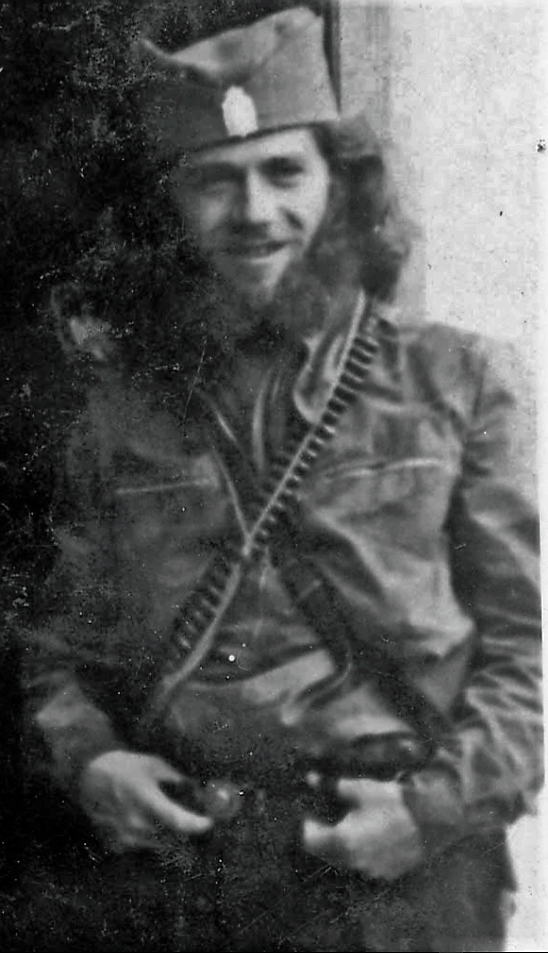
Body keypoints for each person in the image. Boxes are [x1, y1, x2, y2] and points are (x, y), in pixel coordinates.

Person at [19, 7, 542, 952]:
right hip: (187, 876)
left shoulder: (461, 381)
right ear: (170, 209)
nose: (255, 212)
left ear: (342, 185)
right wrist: (92, 761)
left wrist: (429, 813)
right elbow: (60, 649)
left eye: (284, 172)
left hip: (402, 875)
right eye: (215, 181)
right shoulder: (121, 412)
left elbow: (528, 661)